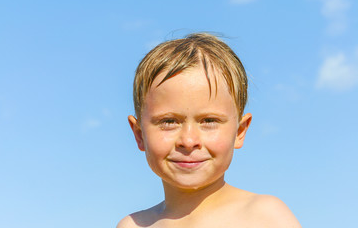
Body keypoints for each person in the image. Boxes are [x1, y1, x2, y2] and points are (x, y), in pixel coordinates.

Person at [117, 33, 301, 228]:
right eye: (169, 121)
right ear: (139, 135)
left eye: (209, 121)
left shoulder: (264, 216)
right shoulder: (133, 225)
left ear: (239, 131)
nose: (188, 141)